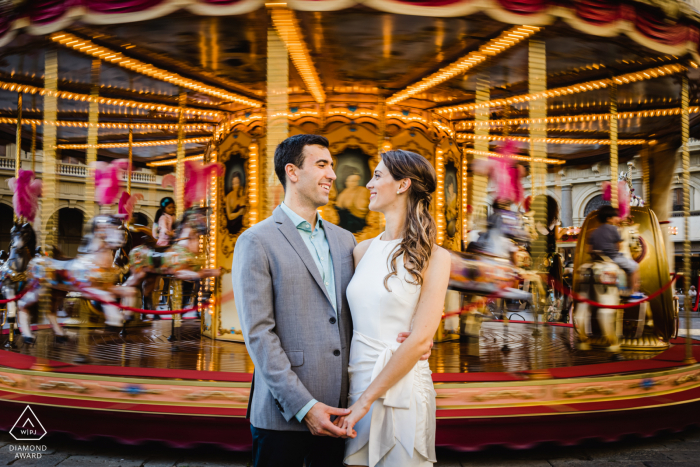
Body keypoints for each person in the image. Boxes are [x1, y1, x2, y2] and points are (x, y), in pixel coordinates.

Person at [232, 135, 427, 467]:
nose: (333, 175)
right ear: (292, 172)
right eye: (322, 164)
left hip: (340, 410)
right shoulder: (256, 240)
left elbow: (362, 308)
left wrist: (413, 333)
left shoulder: (345, 240)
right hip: (284, 413)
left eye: (332, 166)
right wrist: (304, 406)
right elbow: (259, 335)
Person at [339, 149, 451, 467]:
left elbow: (418, 339)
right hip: (356, 382)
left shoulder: (435, 257)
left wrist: (365, 401)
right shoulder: (361, 251)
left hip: (400, 388)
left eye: (377, 176)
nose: (369, 184)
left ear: (402, 185)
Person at [587, 205, 640, 292]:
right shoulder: (614, 229)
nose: (617, 218)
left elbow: (590, 249)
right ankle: (633, 291)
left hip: (598, 259)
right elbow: (619, 246)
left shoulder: (594, 231)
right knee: (634, 266)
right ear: (609, 218)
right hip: (613, 258)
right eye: (615, 216)